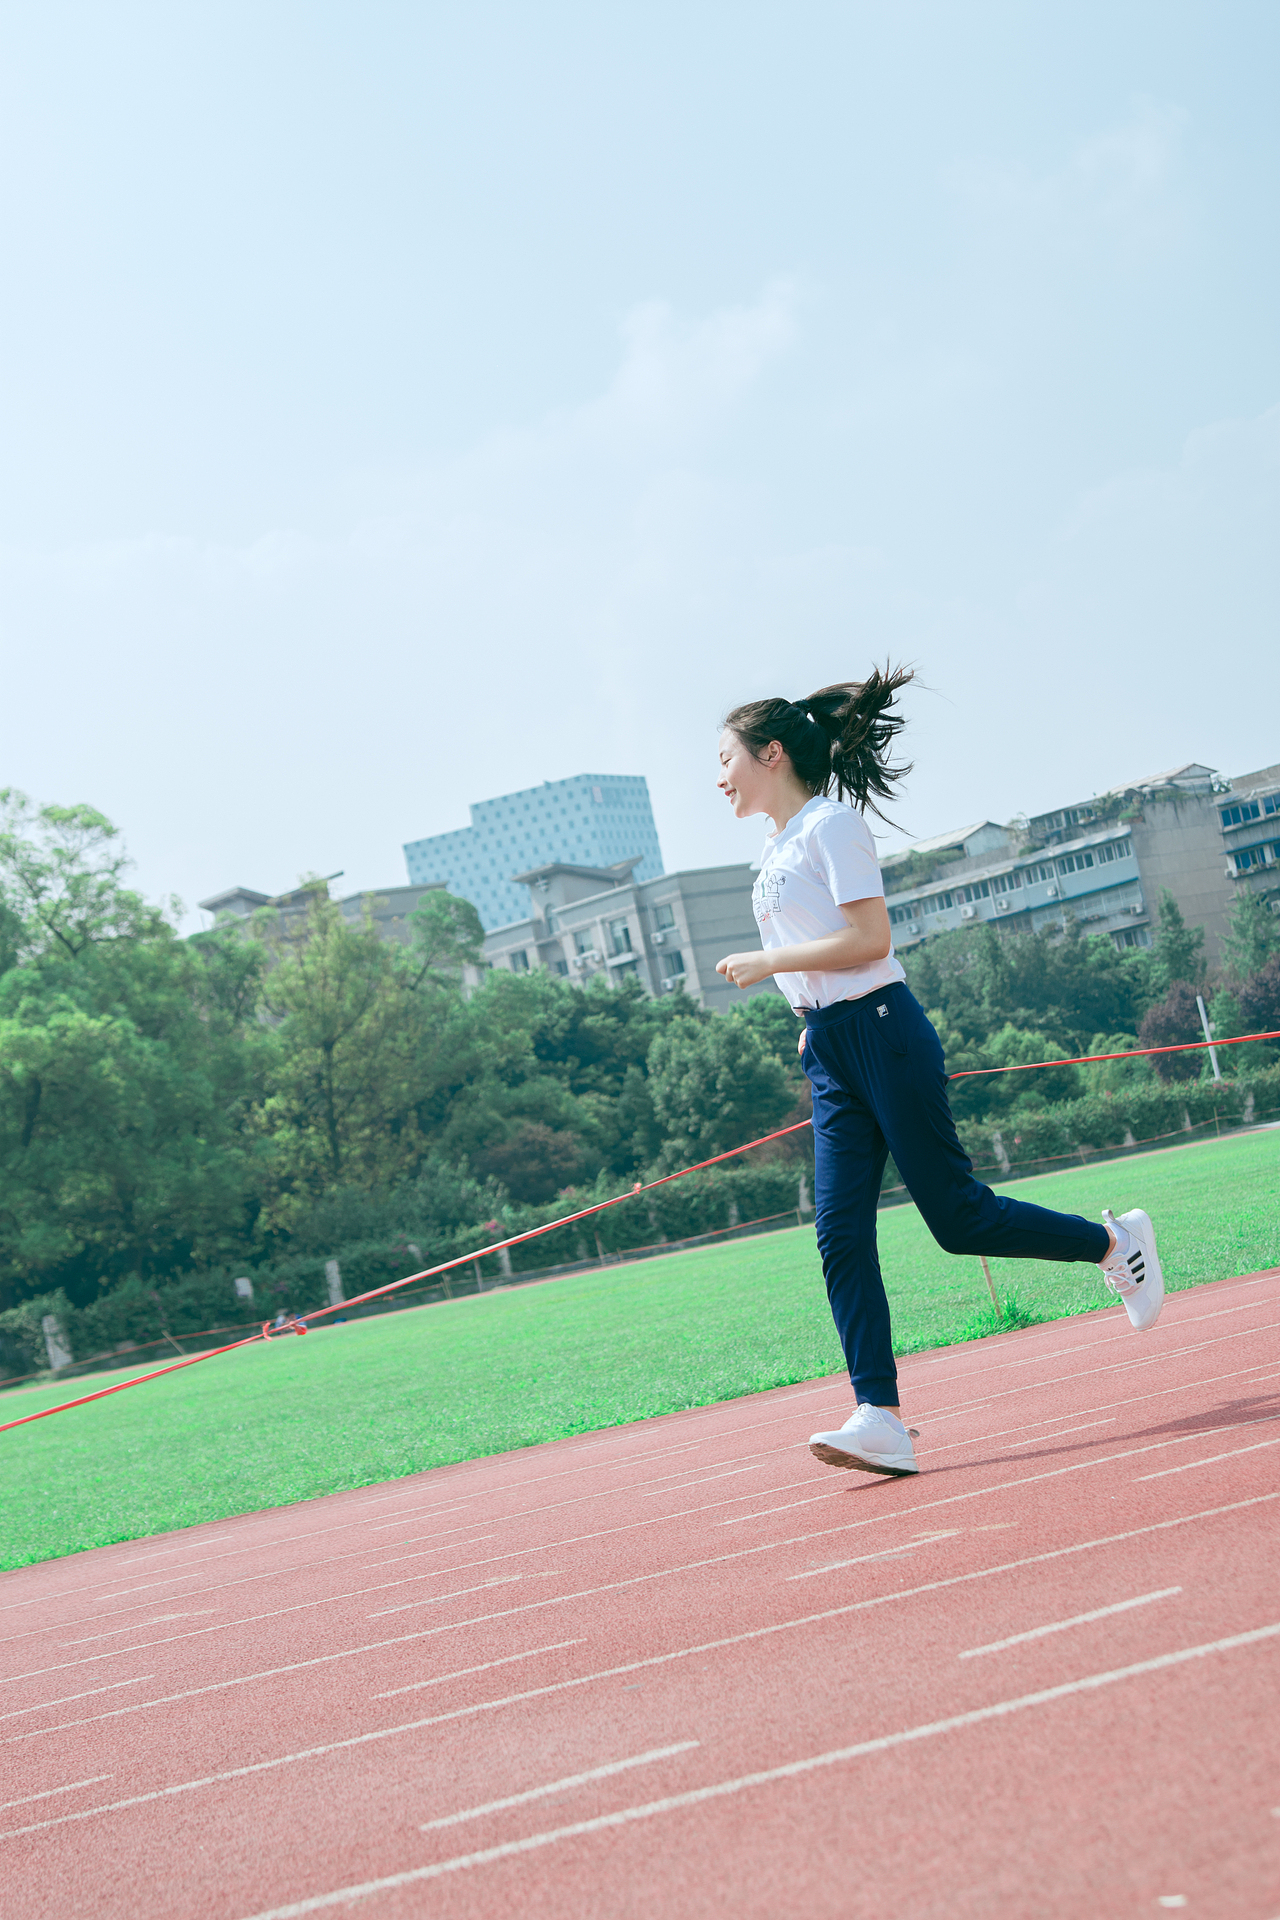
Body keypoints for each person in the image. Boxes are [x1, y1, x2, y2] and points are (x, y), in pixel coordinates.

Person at [714, 669, 1164, 1478]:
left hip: (883, 1030)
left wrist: (771, 962)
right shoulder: (773, 850)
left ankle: (1114, 1241)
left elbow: (871, 940)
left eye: (726, 759)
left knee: (957, 1221)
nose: (718, 777)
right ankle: (878, 1416)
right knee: (838, 1233)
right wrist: (805, 1019)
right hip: (829, 1049)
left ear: (771, 754)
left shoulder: (830, 826)